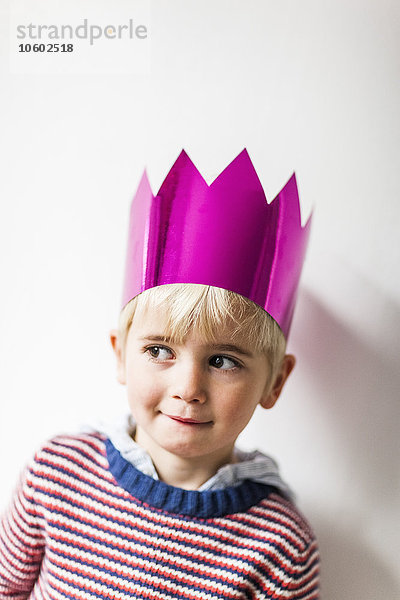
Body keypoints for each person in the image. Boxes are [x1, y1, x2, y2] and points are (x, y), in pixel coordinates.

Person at [0, 150, 320, 598]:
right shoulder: (54, 476)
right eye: (159, 350)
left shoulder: (281, 546)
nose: (188, 389)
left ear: (275, 382)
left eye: (223, 361)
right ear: (120, 356)